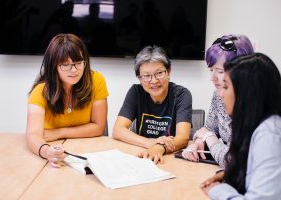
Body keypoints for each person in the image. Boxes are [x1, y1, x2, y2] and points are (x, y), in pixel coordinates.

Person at [201, 53, 281, 199]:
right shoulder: (257, 125)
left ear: (245, 93)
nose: (221, 94)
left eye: (225, 86)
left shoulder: (272, 135)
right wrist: (231, 175)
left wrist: (217, 190)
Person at [26, 33, 109, 167]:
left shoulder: (96, 80)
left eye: (78, 63)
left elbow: (99, 127)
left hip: (88, 150)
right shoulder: (40, 91)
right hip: (54, 148)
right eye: (66, 65)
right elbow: (32, 135)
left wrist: (59, 132)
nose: (74, 70)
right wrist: (47, 152)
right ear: (54, 66)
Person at [182, 34, 254, 167]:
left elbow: (232, 161)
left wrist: (209, 138)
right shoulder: (219, 94)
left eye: (220, 71)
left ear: (241, 70)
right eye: (211, 70)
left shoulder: (253, 103)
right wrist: (199, 142)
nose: (212, 78)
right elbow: (209, 128)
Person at [112, 45, 192, 164]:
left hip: (170, 158)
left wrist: (160, 147)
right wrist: (151, 143)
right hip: (142, 155)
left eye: (159, 73)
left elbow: (183, 138)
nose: (153, 81)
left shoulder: (181, 94)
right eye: (146, 76)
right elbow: (118, 130)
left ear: (168, 71)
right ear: (139, 78)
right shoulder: (136, 92)